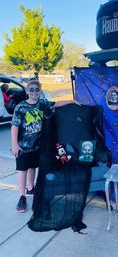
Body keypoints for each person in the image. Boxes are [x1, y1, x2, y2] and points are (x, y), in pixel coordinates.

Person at [11, 79, 79, 213]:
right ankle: (21, 196)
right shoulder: (21, 107)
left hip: (37, 145)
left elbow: (57, 104)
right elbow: (14, 127)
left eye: (37, 90)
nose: (34, 92)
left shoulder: (42, 104)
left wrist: (71, 101)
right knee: (22, 170)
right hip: (23, 146)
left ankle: (31, 188)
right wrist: (15, 145)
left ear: (40, 91)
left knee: (32, 167)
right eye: (31, 90)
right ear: (27, 92)